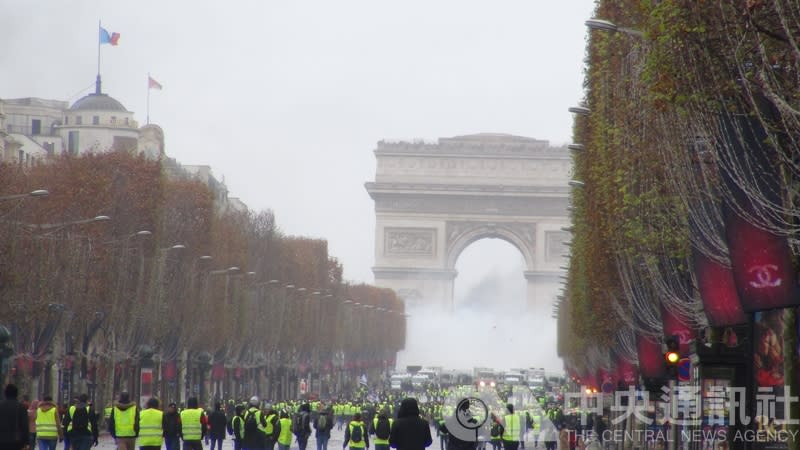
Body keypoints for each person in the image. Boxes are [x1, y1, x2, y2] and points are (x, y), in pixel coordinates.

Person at [0, 384, 30, 450]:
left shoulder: (1, 406)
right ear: (16, 394)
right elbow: (25, 425)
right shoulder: (21, 407)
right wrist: (26, 442)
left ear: (5, 394)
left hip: (1, 441)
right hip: (16, 441)